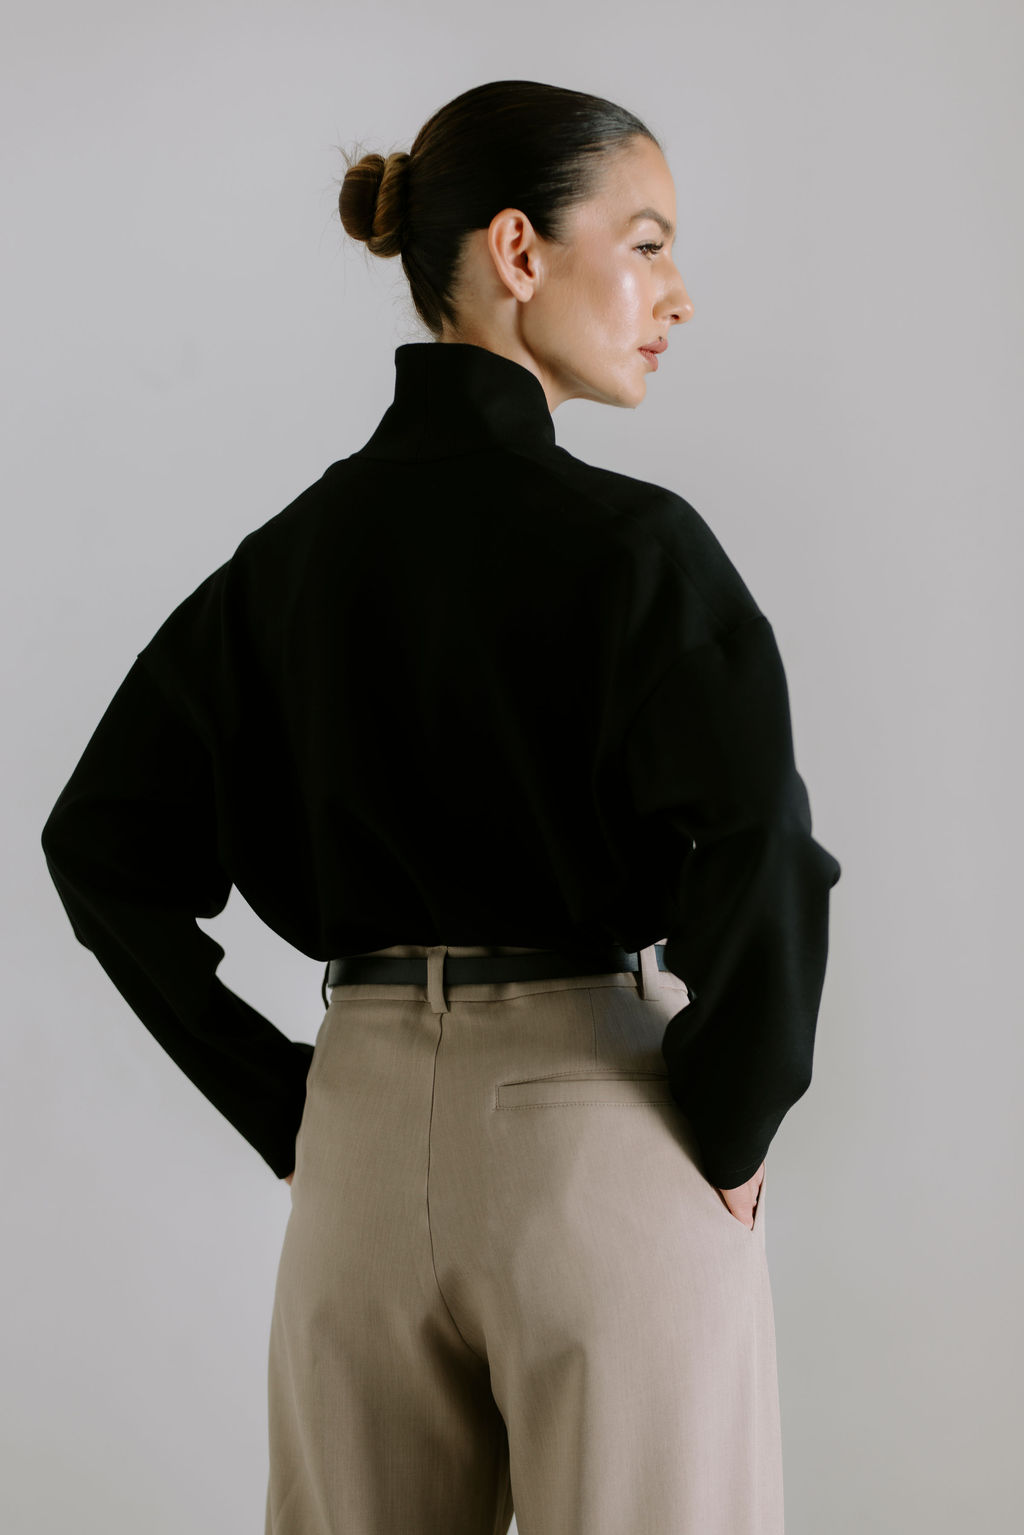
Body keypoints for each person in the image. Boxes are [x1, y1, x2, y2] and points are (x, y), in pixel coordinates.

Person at [40, 78, 841, 1535]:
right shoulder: (637, 550)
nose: (677, 294)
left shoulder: (289, 561)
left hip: (357, 1148)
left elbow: (99, 845)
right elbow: (761, 850)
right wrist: (733, 1122)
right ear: (519, 252)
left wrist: (288, 1102)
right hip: (600, 1132)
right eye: (647, 243)